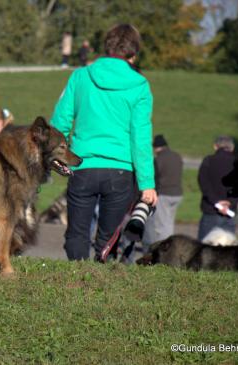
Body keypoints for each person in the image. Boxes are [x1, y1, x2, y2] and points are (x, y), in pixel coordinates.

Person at [50, 24, 157, 262]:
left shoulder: (80, 76)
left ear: (106, 47)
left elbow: (59, 124)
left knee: (76, 234)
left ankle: (76, 280)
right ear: (133, 54)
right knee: (108, 240)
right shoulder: (140, 85)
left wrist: (54, 159)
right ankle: (102, 285)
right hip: (121, 171)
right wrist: (147, 183)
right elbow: (140, 137)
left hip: (82, 166)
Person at [143, 134, 183, 247]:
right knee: (169, 222)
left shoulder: (158, 159)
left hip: (164, 194)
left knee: (161, 225)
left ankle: (165, 248)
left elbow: (155, 176)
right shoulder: (177, 156)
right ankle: (169, 245)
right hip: (178, 194)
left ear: (156, 147)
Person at [197, 135, 238, 240]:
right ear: (232, 148)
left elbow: (203, 183)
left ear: (215, 146)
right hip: (229, 211)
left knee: (205, 246)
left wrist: (216, 202)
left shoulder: (209, 161)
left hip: (210, 209)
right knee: (228, 250)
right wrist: (230, 202)